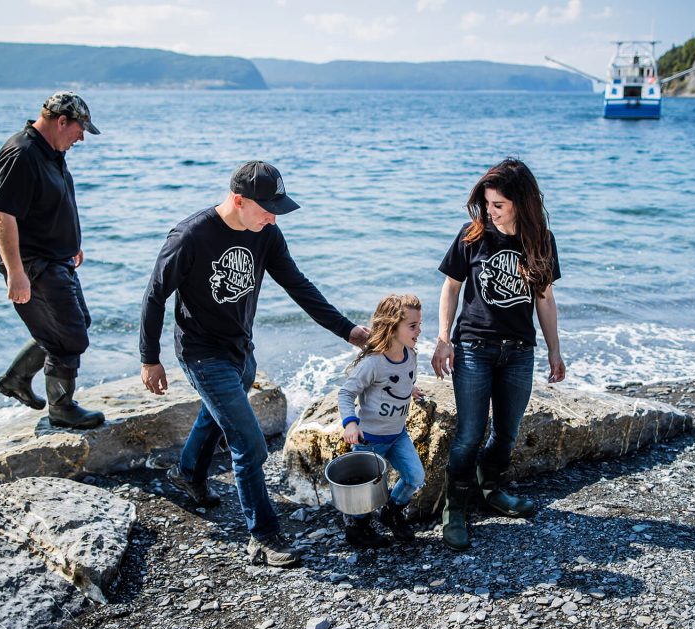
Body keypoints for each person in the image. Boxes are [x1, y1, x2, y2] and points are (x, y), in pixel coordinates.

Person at [139, 160, 369, 568]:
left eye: (277, 208)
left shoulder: (267, 234)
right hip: (200, 351)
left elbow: (299, 285)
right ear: (238, 199)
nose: (273, 217)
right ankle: (263, 535)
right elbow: (155, 296)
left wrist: (347, 331)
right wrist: (150, 359)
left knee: (219, 414)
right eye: (266, 208)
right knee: (249, 441)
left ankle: (188, 473)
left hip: (239, 348)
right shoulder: (190, 236)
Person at [430, 158, 566, 551]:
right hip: (474, 347)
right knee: (471, 433)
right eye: (487, 204)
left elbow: (545, 299)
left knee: (506, 434)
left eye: (498, 205)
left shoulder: (540, 240)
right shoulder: (472, 236)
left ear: (520, 203)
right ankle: (454, 507)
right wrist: (443, 338)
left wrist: (555, 351)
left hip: (520, 351)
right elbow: (451, 288)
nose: (490, 212)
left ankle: (489, 488)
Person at [0, 91, 105, 429]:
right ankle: (61, 409)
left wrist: (73, 240)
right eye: (80, 129)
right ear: (61, 121)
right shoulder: (22, 154)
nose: (81, 137)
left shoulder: (51, 151)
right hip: (34, 264)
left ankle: (15, 379)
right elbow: (3, 215)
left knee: (75, 324)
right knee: (69, 338)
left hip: (57, 258)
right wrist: (15, 273)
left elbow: (56, 199)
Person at [338, 294, 426, 548]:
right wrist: (350, 423)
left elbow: (401, 379)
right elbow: (346, 393)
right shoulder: (373, 363)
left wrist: (411, 389)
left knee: (415, 476)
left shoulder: (410, 355)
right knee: (365, 493)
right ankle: (358, 529)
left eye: (419, 324)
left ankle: (391, 511)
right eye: (412, 326)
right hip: (369, 441)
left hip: (398, 435)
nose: (418, 330)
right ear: (391, 327)